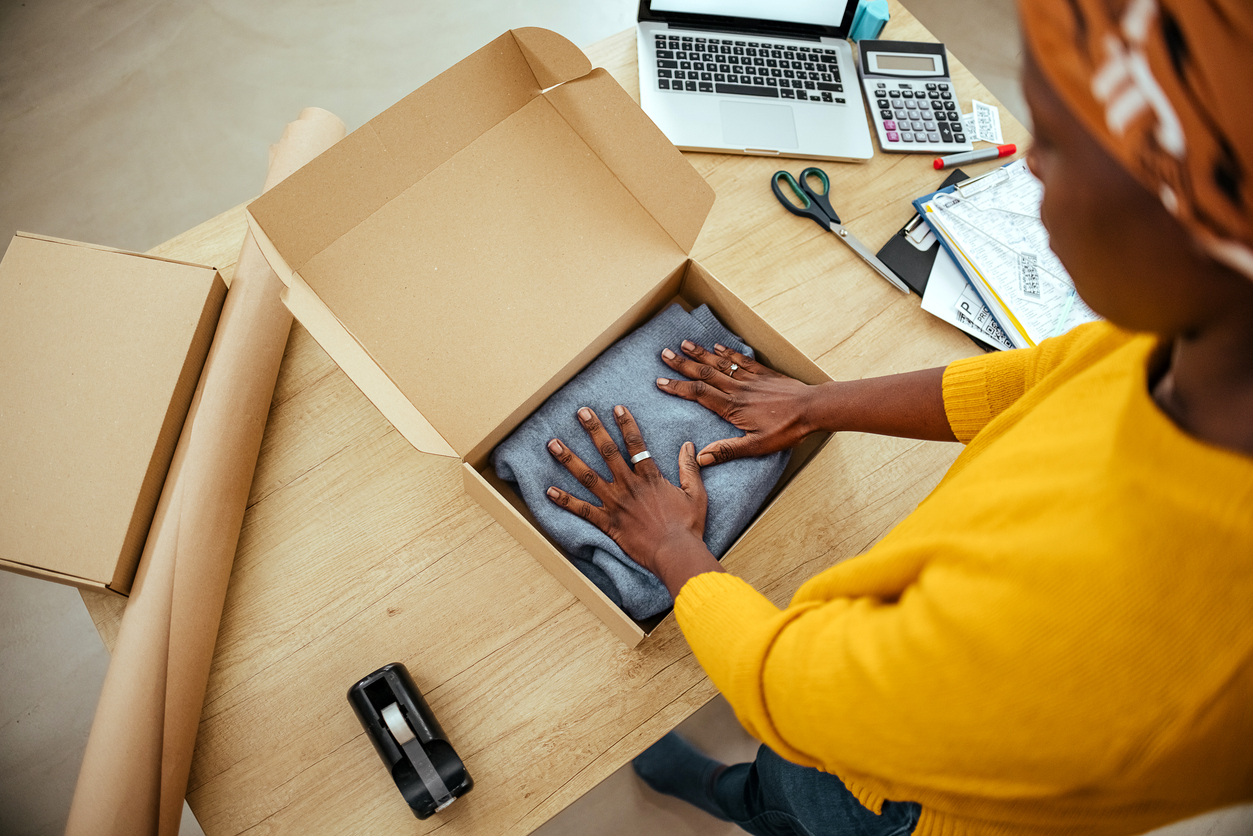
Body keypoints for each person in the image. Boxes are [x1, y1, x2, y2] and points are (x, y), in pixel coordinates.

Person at [542, 0, 1253, 833]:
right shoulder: (1201, 349)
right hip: (877, 705)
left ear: (1186, 220)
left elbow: (792, 688)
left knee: (794, 794)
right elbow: (1037, 379)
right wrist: (812, 404)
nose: (1026, 174)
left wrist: (671, 546)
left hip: (890, 803)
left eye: (1053, 145)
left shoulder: (1104, 611)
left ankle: (735, 800)